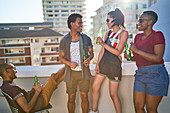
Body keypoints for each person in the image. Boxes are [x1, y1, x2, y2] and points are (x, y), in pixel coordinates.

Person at [124, 10, 169, 113]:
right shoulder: (137, 37)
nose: (138, 23)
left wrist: (137, 51)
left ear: (150, 22)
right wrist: (130, 57)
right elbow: (140, 57)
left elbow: (158, 58)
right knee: (138, 108)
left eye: (141, 20)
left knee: (151, 109)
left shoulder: (157, 35)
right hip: (140, 74)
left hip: (155, 74)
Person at [90, 8, 128, 113]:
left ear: (115, 20)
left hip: (114, 67)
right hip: (103, 64)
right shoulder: (108, 33)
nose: (106, 22)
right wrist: (97, 64)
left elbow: (118, 52)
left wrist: (102, 43)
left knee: (113, 94)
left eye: (108, 20)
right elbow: (103, 51)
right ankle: (94, 111)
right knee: (94, 88)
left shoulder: (123, 33)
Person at [59, 13, 94, 113]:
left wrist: (88, 59)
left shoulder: (86, 38)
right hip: (71, 74)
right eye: (79, 23)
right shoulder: (64, 40)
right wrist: (70, 64)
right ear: (72, 24)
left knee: (84, 97)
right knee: (71, 97)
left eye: (82, 23)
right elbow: (61, 58)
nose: (81, 25)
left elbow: (92, 53)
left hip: (84, 73)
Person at [0, 63, 65, 113]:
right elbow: (27, 109)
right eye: (13, 68)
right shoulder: (12, 89)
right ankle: (68, 65)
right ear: (7, 71)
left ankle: (69, 69)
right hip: (40, 102)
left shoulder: (5, 86)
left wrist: (33, 90)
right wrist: (37, 92)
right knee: (54, 77)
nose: (16, 71)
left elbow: (25, 97)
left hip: (37, 100)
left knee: (55, 80)